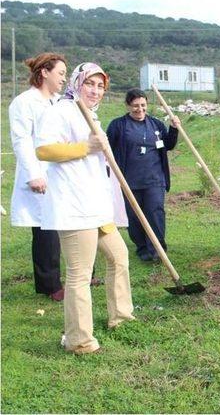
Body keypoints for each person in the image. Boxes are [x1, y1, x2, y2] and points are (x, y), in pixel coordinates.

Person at [35, 62, 135, 354]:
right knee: (79, 274)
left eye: (100, 86)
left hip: (97, 206)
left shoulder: (90, 115)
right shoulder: (61, 110)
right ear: (77, 83)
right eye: (89, 84)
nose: (95, 90)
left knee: (119, 257)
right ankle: (80, 340)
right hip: (74, 206)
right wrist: (85, 148)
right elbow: (44, 149)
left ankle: (122, 317)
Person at [9, 52, 67, 301]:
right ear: (44, 72)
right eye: (61, 73)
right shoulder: (24, 102)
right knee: (46, 231)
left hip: (60, 170)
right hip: (40, 173)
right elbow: (21, 141)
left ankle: (82, 274)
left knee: (69, 223)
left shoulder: (58, 101)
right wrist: (33, 174)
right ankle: (50, 284)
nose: (64, 79)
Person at [106, 89, 180, 262]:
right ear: (128, 105)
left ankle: (157, 250)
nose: (140, 109)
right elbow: (107, 149)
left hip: (155, 179)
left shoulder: (156, 125)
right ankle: (142, 247)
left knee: (155, 212)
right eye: (135, 106)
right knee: (134, 216)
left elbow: (168, 145)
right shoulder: (118, 126)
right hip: (128, 181)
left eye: (143, 105)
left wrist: (174, 129)